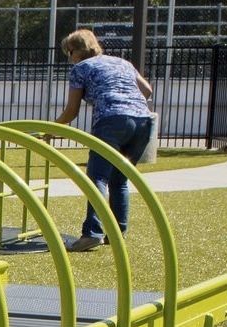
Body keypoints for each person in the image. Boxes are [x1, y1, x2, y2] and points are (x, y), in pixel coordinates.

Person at [53, 28, 155, 252]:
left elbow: (72, 111)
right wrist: (130, 104)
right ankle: (117, 233)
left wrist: (53, 129)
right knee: (119, 179)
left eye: (68, 54)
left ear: (74, 52)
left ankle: (92, 234)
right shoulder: (122, 63)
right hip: (143, 122)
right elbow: (147, 89)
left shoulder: (81, 68)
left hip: (111, 120)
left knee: (97, 177)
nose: (69, 59)